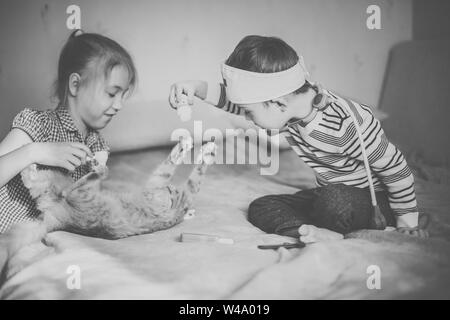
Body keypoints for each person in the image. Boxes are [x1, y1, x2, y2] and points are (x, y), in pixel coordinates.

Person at [169, 35, 428, 243]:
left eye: (250, 113)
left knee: (333, 200)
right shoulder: (288, 113)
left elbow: (397, 169)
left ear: (278, 103)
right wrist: (197, 88)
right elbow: (232, 102)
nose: (247, 118)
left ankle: (327, 231)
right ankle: (307, 232)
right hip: (329, 194)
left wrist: (407, 222)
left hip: (373, 201)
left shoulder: (348, 123)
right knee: (263, 205)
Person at [0, 30, 137, 233]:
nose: (118, 105)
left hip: (42, 241)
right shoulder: (38, 124)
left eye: (123, 96)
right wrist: (35, 152)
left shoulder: (96, 146)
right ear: (75, 85)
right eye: (111, 93)